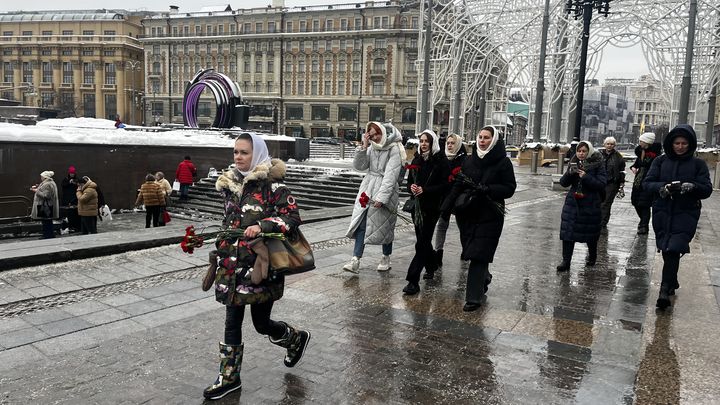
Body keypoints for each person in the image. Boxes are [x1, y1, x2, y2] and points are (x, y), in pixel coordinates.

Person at [204, 133, 310, 400]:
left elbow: (292, 217)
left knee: (261, 324)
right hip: (232, 265)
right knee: (232, 320)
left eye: (244, 152)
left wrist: (261, 225)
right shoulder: (229, 185)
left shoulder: (274, 187)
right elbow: (229, 221)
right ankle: (229, 378)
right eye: (236, 152)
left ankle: (294, 338)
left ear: (258, 154)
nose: (238, 157)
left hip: (261, 267)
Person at [440, 126, 516, 311]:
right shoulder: (469, 161)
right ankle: (485, 276)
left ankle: (473, 298)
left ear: (494, 140)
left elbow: (509, 188)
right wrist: (446, 207)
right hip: (468, 213)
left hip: (490, 214)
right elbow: (459, 184)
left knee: (478, 255)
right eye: (480, 137)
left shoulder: (503, 163)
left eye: (486, 137)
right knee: (471, 250)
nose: (482, 140)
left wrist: (490, 189)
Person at [642, 124, 712, 309]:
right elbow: (647, 183)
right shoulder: (660, 161)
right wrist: (661, 188)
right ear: (671, 144)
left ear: (690, 144)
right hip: (662, 211)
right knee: (666, 248)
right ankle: (672, 280)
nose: (680, 147)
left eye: (684, 143)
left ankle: (664, 290)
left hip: (685, 212)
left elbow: (706, 189)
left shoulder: (698, 164)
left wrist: (693, 187)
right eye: (677, 143)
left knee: (673, 248)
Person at [343, 122, 405, 273]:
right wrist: (364, 147)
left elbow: (391, 175)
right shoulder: (372, 147)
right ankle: (355, 260)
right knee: (362, 223)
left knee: (386, 226)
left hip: (386, 190)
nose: (375, 138)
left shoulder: (394, 149)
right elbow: (360, 166)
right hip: (368, 187)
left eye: (377, 134)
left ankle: (385, 256)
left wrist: (382, 198)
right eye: (371, 135)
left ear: (382, 133)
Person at [402, 129, 451, 295]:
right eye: (421, 141)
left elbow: (445, 186)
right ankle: (431, 265)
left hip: (432, 207)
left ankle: (412, 280)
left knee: (422, 242)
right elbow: (409, 181)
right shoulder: (417, 159)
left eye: (426, 141)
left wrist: (426, 190)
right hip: (417, 207)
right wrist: (412, 187)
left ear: (432, 143)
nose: (423, 144)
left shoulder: (440, 160)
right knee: (422, 239)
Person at [556, 140, 607, 272]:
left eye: (584, 151)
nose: (581, 153)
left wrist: (586, 177)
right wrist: (569, 173)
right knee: (568, 232)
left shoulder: (598, 164)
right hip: (573, 203)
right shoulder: (573, 162)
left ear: (589, 151)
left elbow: (601, 184)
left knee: (590, 232)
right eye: (579, 151)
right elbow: (563, 183)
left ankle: (592, 255)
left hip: (590, 203)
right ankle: (566, 261)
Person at [433, 133, 467, 268]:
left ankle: (466, 250)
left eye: (453, 143)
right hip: (445, 197)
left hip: (458, 197)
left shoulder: (464, 159)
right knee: (441, 225)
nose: (450, 145)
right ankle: (438, 253)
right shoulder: (442, 158)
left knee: (463, 226)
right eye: (448, 143)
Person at [630, 132, 662, 234]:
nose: (639, 143)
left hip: (648, 181)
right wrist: (634, 167)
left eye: (641, 141)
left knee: (644, 204)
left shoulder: (655, 156)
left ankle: (644, 225)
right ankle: (642, 221)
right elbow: (637, 163)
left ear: (647, 142)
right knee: (636, 202)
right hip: (638, 181)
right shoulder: (641, 152)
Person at [599, 136, 626, 228]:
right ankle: (597, 219)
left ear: (614, 145)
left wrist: (621, 183)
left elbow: (622, 170)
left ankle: (603, 222)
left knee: (606, 203)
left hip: (612, 183)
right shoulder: (599, 154)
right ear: (604, 144)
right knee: (598, 201)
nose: (609, 146)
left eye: (611, 144)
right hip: (599, 181)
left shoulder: (618, 156)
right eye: (608, 144)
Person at [31, 171, 59, 239]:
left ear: (45, 177)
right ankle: (49, 234)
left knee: (46, 221)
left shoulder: (47, 184)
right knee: (47, 221)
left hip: (45, 205)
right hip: (48, 205)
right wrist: (39, 187)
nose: (41, 178)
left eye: (41, 176)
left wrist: (36, 191)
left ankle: (47, 235)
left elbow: (46, 195)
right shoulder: (50, 183)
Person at [60, 165, 80, 232]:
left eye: (73, 173)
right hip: (67, 199)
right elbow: (63, 185)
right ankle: (69, 227)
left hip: (75, 199)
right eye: (71, 173)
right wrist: (69, 182)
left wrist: (75, 183)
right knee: (68, 214)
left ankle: (76, 226)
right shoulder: (65, 180)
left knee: (75, 213)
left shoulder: (77, 179)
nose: (72, 174)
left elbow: (79, 186)